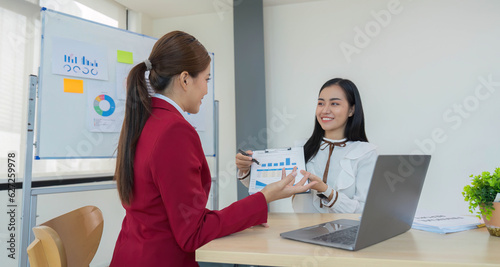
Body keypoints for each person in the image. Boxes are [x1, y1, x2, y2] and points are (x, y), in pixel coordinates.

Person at [110, 31, 315, 267]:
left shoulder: (145, 119)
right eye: (206, 80)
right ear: (185, 79)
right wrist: (265, 197)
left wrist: (247, 215)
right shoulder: (174, 131)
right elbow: (192, 233)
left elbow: (175, 216)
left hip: (131, 254)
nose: (207, 91)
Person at [236, 78, 377, 214]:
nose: (325, 110)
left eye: (334, 104)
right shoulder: (302, 148)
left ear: (351, 110)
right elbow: (268, 186)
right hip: (302, 233)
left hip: (347, 235)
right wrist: (246, 169)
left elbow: (365, 211)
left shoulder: (365, 152)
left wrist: (326, 191)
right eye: (321, 103)